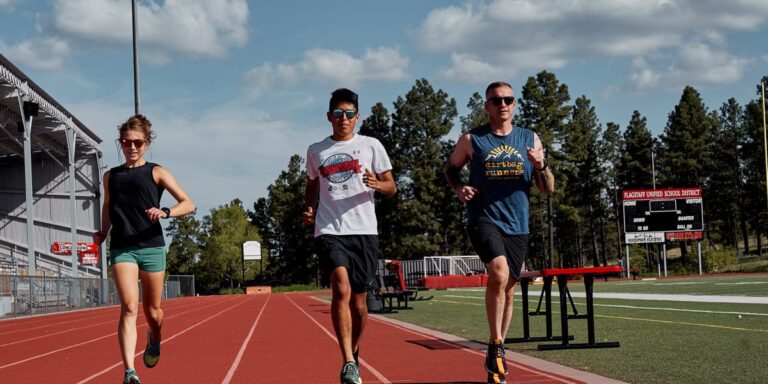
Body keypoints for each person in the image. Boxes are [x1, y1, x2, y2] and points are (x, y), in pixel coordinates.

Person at [444, 81, 555, 384]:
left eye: (507, 99)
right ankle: (494, 344)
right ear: (487, 106)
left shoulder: (529, 138)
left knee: (508, 288)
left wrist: (541, 165)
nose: (502, 104)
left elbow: (548, 189)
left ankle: (498, 350)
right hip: (484, 217)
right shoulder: (473, 139)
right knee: (499, 271)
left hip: (518, 223)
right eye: (496, 100)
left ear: (514, 104)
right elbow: (450, 169)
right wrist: (459, 187)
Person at [303, 88, 397, 384]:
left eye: (349, 114)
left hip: (365, 230)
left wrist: (377, 185)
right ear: (329, 117)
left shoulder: (371, 145)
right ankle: (347, 361)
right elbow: (311, 186)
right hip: (330, 229)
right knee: (340, 288)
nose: (343, 119)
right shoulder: (316, 150)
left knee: (359, 302)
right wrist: (308, 209)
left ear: (357, 117)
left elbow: (391, 186)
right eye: (338, 114)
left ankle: (353, 351)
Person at [93, 114, 195, 384]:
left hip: (151, 247)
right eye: (126, 142)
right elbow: (107, 206)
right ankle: (129, 372)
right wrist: (104, 231)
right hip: (122, 248)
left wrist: (165, 212)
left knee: (152, 312)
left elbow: (189, 204)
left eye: (137, 142)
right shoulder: (110, 176)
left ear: (146, 143)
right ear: (121, 143)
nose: (132, 147)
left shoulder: (156, 171)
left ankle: (156, 335)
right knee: (128, 306)